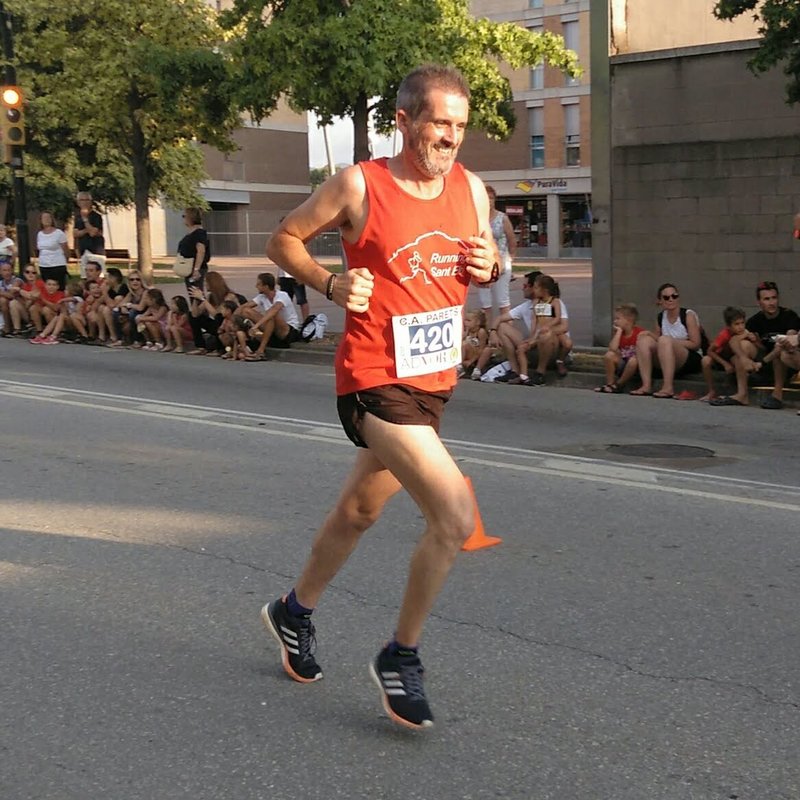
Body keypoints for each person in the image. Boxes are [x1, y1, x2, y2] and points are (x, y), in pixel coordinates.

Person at [261, 64, 498, 730]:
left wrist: (490, 266)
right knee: (454, 515)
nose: (450, 137)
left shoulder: (472, 190)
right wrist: (330, 284)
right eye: (438, 123)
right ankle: (401, 655)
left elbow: (484, 260)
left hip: (433, 384)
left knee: (360, 510)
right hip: (372, 379)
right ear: (404, 121)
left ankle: (293, 612)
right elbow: (283, 239)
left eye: (459, 125)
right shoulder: (360, 185)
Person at [712, 281, 800, 408]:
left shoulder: (789, 315)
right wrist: (744, 358)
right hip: (764, 362)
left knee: (780, 350)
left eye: (774, 298)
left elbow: (788, 341)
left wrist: (761, 363)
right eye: (766, 299)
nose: (771, 302)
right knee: (743, 345)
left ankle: (777, 395)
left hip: (784, 362)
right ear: (759, 302)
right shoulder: (755, 320)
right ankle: (742, 395)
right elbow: (733, 341)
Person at [631, 283, 703, 398]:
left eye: (674, 296)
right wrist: (649, 334)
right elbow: (657, 341)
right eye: (666, 297)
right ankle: (646, 385)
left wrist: (671, 341)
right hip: (666, 354)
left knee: (665, 340)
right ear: (660, 301)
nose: (671, 299)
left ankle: (668, 387)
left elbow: (696, 344)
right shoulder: (660, 317)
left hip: (689, 357)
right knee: (644, 340)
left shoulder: (688, 315)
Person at [481, 270, 540, 382]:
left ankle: (539, 373)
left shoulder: (552, 304)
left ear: (535, 288)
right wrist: (492, 332)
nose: (522, 289)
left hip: (546, 346)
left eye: (525, 286)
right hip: (531, 345)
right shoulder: (526, 306)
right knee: (502, 327)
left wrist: (533, 341)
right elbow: (499, 319)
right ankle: (514, 370)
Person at [477, 185, 515, 330]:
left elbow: (512, 239)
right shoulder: (477, 218)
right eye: (486, 198)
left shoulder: (502, 218)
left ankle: (506, 332)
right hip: (483, 264)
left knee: (503, 301)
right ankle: (487, 334)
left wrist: (510, 258)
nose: (489, 201)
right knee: (485, 303)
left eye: (491, 198)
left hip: (502, 263)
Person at [242, 272, 301, 361]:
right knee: (246, 311)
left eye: (259, 284)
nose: (256, 286)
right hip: (272, 330)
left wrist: (256, 326)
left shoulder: (282, 295)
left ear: (266, 286)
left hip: (287, 331)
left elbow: (274, 309)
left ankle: (261, 351)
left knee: (272, 315)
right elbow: (245, 306)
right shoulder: (262, 297)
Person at [594, 303, 644, 393]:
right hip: (623, 363)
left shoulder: (639, 333)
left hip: (636, 367)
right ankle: (610, 383)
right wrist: (619, 332)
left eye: (618, 319)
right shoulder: (619, 334)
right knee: (609, 355)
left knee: (633, 361)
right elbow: (612, 349)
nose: (615, 321)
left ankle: (619, 384)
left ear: (628, 320)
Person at [699, 306, 745, 403]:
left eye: (742, 323)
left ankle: (739, 391)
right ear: (728, 326)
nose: (740, 327)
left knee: (737, 359)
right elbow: (710, 351)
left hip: (733, 358)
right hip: (720, 358)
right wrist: (725, 364)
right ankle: (711, 391)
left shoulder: (744, 333)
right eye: (736, 324)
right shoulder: (724, 335)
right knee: (705, 360)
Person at [177, 207, 210, 291]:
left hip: (195, 267)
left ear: (190, 217)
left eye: (184, 216)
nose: (183, 219)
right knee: (192, 291)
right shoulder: (191, 233)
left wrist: (196, 269)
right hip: (188, 266)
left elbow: (201, 251)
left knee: (195, 292)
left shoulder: (199, 233)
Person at [73, 191, 105, 276]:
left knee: (98, 276)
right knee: (85, 276)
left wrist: (85, 220)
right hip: (83, 251)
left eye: (87, 200)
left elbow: (93, 233)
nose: (84, 202)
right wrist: (87, 230)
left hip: (96, 251)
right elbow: (75, 234)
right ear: (78, 202)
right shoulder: (77, 217)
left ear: (91, 201)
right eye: (82, 200)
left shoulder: (96, 216)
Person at [36, 212, 70, 290]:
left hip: (57, 265)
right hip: (44, 265)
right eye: (44, 218)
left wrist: (66, 260)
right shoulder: (40, 234)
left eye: (48, 218)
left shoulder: (59, 233)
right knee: (47, 288)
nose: (46, 220)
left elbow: (66, 249)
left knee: (59, 287)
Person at [29, 277, 66, 342]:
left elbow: (56, 308)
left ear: (57, 287)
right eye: (49, 284)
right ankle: (39, 330)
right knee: (33, 308)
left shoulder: (60, 294)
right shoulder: (42, 292)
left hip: (58, 317)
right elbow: (34, 302)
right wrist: (33, 297)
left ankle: (52, 332)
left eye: (54, 285)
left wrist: (43, 299)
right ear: (45, 285)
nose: (51, 287)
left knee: (46, 309)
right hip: (45, 315)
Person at [456, 309, 488, 378]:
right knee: (462, 343)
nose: (465, 323)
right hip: (466, 354)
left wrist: (471, 360)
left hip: (476, 356)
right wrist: (464, 335)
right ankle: (459, 366)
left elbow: (481, 349)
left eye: (469, 321)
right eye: (465, 320)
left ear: (478, 322)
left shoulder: (481, 332)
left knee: (464, 344)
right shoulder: (466, 331)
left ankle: (460, 366)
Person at [0, 262, 22, 335]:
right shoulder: (1, 283)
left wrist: (1, 293)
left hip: (20, 308)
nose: (7, 273)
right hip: (7, 308)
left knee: (3, 300)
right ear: (0, 272)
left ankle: (7, 327)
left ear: (12, 271)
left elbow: (11, 295)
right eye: (4, 270)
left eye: (9, 270)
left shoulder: (17, 280)